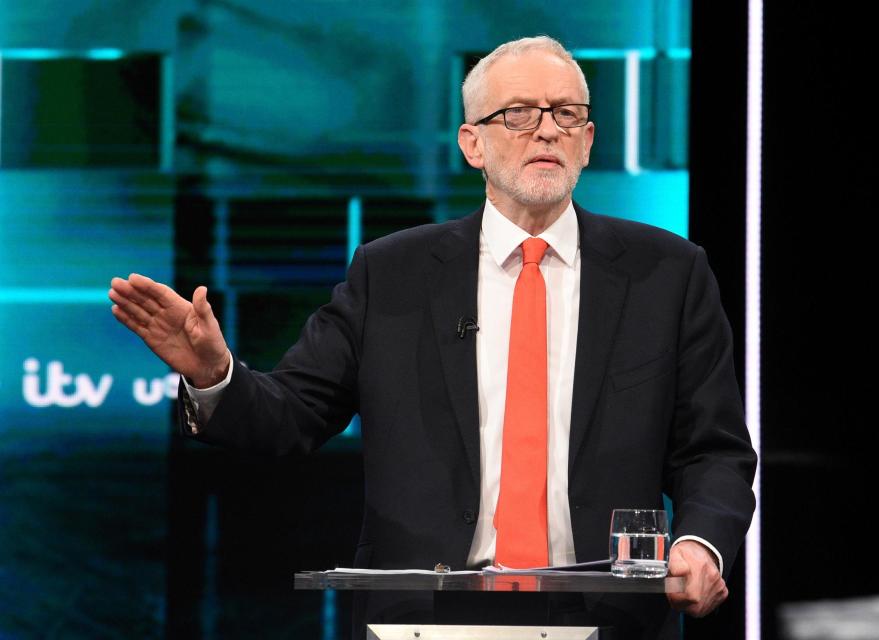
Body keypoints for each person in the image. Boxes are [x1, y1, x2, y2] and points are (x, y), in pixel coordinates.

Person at [109, 36, 756, 639]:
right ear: (472, 144)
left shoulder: (667, 273)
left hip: (608, 617)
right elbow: (293, 415)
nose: (547, 129)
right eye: (520, 113)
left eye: (566, 113)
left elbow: (714, 451)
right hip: (426, 617)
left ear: (588, 140)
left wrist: (699, 544)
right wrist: (214, 373)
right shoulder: (391, 274)